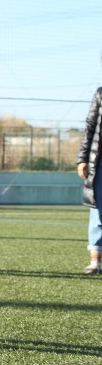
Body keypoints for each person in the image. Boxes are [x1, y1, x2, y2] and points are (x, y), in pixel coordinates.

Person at [77, 86, 102, 274]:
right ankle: (95, 262)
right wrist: (83, 158)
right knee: (98, 209)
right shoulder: (100, 93)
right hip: (99, 162)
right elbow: (90, 126)